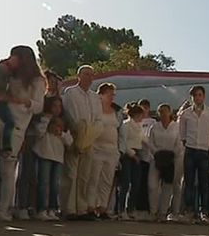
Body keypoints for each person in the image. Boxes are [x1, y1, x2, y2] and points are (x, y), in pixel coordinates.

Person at [0, 46, 45, 221]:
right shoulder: (7, 73)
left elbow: (38, 106)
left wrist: (16, 100)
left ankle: (4, 210)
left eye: (15, 56)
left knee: (8, 168)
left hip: (17, 124)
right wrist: (2, 68)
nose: (11, 59)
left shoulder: (37, 80)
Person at [61, 65, 102, 220]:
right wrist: (80, 136)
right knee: (71, 175)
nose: (89, 77)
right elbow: (71, 116)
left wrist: (89, 135)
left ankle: (82, 209)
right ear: (79, 76)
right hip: (74, 137)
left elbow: (98, 119)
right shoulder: (70, 93)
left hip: (90, 139)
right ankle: (69, 209)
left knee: (85, 176)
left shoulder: (94, 97)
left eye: (91, 75)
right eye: (86, 74)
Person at [179, 86, 209, 223]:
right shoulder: (185, 114)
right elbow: (182, 135)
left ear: (204, 96)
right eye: (195, 95)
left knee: (204, 183)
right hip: (190, 150)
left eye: (200, 95)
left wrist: (205, 145)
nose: (197, 98)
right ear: (192, 97)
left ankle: (205, 212)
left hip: (203, 151)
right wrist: (190, 144)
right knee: (189, 183)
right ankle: (189, 211)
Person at [33, 97, 72, 221]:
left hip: (58, 156)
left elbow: (69, 142)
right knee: (43, 182)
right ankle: (41, 209)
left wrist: (61, 133)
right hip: (44, 153)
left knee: (55, 184)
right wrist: (47, 121)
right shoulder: (43, 119)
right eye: (54, 106)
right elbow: (39, 133)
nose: (57, 109)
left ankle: (52, 209)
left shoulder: (63, 122)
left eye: (59, 106)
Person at [87, 83, 122, 219]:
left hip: (112, 150)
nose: (112, 97)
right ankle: (90, 206)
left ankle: (103, 207)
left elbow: (119, 131)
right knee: (94, 178)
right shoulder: (95, 110)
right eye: (109, 94)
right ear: (101, 94)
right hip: (96, 148)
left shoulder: (116, 112)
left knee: (107, 180)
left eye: (113, 94)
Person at [149, 104, 183, 222]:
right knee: (152, 185)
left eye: (165, 112)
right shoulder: (155, 127)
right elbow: (150, 142)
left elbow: (179, 144)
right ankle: (153, 211)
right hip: (157, 158)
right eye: (161, 112)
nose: (163, 114)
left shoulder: (176, 127)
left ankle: (163, 212)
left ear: (170, 112)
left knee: (167, 186)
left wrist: (172, 155)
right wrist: (156, 153)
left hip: (171, 159)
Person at [117, 104, 147, 220]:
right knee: (125, 183)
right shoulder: (126, 125)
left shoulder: (139, 127)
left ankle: (131, 208)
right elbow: (123, 143)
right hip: (128, 155)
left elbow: (144, 140)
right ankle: (121, 209)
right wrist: (133, 155)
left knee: (136, 183)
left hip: (138, 154)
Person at [138, 99, 155, 221]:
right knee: (141, 183)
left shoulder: (153, 122)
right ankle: (141, 207)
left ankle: (150, 207)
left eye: (145, 108)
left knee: (151, 184)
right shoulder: (137, 122)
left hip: (151, 156)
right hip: (140, 156)